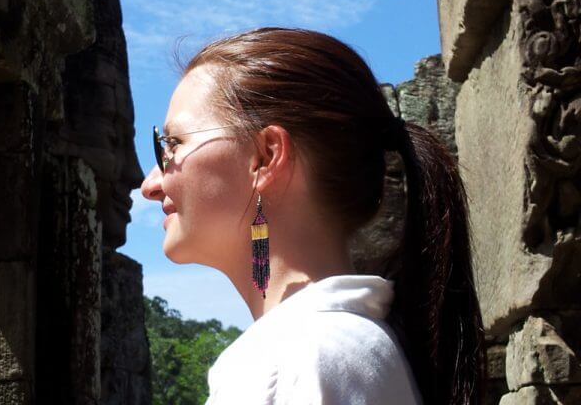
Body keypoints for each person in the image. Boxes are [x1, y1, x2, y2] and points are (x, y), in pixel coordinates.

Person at [140, 27, 486, 404]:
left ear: (266, 157)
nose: (150, 184)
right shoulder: (355, 350)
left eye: (172, 144)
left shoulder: (290, 363)